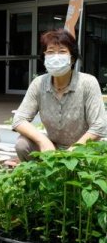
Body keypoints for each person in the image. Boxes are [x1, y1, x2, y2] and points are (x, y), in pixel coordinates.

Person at [12, 28, 107, 161]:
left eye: (62, 51)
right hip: (52, 147)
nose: (55, 57)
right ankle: (42, 177)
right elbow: (18, 120)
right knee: (22, 144)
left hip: (84, 149)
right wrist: (43, 141)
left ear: (72, 58)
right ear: (44, 57)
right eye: (50, 52)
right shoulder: (39, 84)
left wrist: (73, 151)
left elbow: (99, 126)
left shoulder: (88, 83)